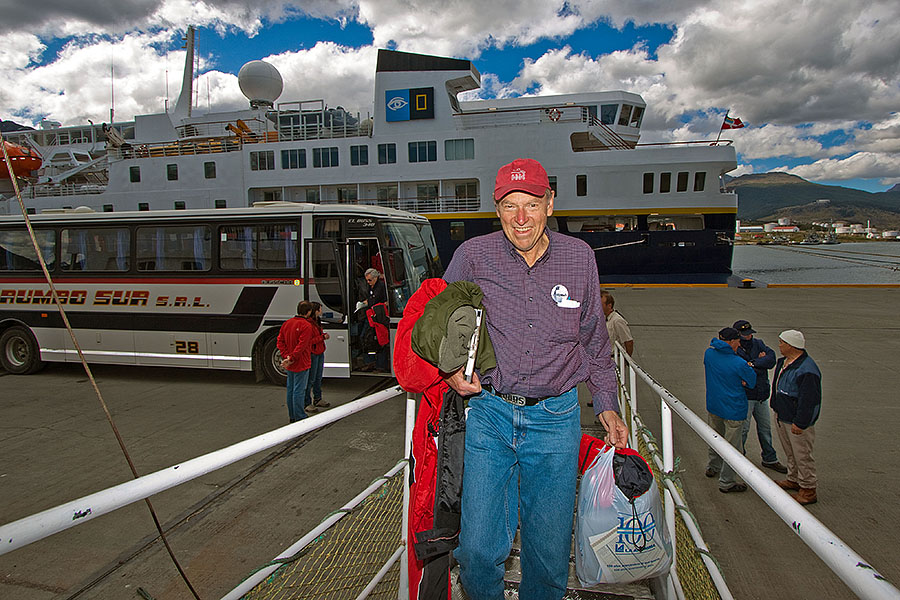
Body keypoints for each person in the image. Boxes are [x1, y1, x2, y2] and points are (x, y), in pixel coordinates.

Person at [441, 157, 628, 599]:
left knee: (547, 554)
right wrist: (449, 370)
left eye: (531, 204)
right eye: (510, 206)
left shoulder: (579, 258)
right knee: (478, 550)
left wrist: (607, 404)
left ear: (549, 203)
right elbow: (437, 317)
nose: (521, 218)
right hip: (489, 414)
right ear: (497, 209)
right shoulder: (473, 256)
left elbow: (594, 340)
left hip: (555, 419)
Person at [771, 329, 822, 505]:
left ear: (792, 345)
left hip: (795, 421)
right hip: (783, 416)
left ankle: (808, 489)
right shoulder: (784, 362)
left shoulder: (807, 370)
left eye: (782, 342)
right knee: (791, 452)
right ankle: (793, 479)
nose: (779, 346)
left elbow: (809, 401)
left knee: (802, 455)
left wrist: (800, 423)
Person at [704, 326, 757, 493]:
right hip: (734, 408)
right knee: (732, 447)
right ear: (733, 341)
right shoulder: (739, 363)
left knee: (715, 438)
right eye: (738, 340)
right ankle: (727, 481)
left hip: (714, 404)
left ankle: (713, 466)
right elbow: (752, 381)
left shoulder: (709, 354)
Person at [732, 319, 786, 473]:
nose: (748, 337)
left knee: (765, 428)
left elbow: (771, 359)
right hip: (746, 396)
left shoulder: (759, 343)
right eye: (744, 334)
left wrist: (752, 364)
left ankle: (770, 458)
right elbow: (741, 369)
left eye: (749, 334)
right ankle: (738, 458)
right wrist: (759, 363)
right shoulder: (735, 349)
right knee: (743, 429)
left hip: (761, 394)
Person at [277, 301, 315, 423]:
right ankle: (300, 416)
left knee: (291, 389)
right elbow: (302, 346)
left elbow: (280, 341)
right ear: (308, 312)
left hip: (291, 362)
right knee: (299, 390)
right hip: (301, 361)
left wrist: (287, 357)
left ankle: (292, 415)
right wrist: (292, 358)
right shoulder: (306, 326)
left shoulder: (287, 323)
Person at [304, 302, 331, 413]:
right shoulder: (309, 324)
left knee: (318, 377)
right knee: (311, 379)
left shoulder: (316, 322)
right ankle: (307, 402)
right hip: (314, 352)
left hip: (319, 352)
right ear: (315, 311)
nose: (322, 311)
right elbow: (309, 341)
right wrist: (322, 337)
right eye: (320, 309)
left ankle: (317, 398)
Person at [601, 290, 633, 356]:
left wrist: (626, 362)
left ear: (609, 306)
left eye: (601, 305)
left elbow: (628, 342)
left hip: (615, 360)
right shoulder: (604, 319)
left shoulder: (617, 321)